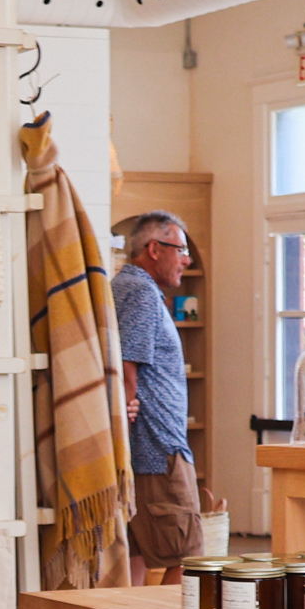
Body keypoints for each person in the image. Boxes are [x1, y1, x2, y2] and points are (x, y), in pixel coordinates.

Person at [114, 211, 200, 585]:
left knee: (135, 555)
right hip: (157, 451)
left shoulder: (125, 286)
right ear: (153, 248)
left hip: (145, 450)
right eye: (180, 250)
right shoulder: (141, 292)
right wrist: (123, 413)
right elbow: (126, 366)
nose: (187, 260)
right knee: (187, 558)